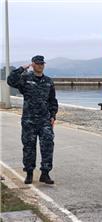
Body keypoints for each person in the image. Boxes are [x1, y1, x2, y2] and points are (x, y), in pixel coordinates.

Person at [7, 55, 58, 185]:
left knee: (47, 146)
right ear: (33, 64)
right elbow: (11, 81)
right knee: (29, 147)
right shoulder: (25, 79)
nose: (40, 65)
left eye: (42, 63)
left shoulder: (48, 81)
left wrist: (53, 115)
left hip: (45, 120)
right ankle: (29, 173)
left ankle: (45, 173)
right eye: (37, 63)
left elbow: (53, 100)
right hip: (29, 119)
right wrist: (21, 68)